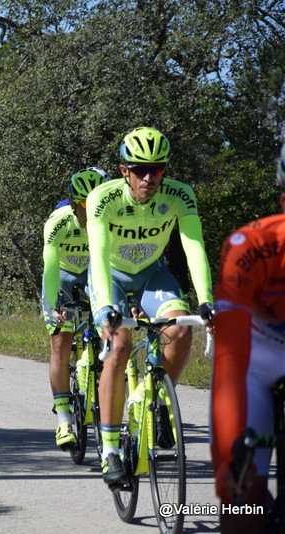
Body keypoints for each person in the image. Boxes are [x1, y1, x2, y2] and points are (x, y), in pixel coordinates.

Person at [86, 126, 214, 487]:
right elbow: (96, 252)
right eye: (140, 169)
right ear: (124, 170)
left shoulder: (179, 196)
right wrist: (106, 307)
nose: (148, 176)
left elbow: (193, 246)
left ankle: (156, 400)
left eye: (157, 169)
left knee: (181, 328)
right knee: (120, 345)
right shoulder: (103, 198)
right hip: (109, 274)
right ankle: (110, 449)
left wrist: (205, 300)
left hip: (151, 274)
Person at [210, 142, 285, 533]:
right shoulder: (249, 247)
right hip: (258, 359)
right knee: (242, 491)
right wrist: (227, 456)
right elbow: (230, 362)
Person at [41, 167, 110, 449]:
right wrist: (53, 305)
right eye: (83, 205)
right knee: (60, 343)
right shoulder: (58, 221)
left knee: (111, 334)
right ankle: (64, 421)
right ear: (72, 203)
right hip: (64, 275)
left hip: (95, 273)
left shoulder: (110, 217)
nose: (89, 211)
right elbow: (50, 267)